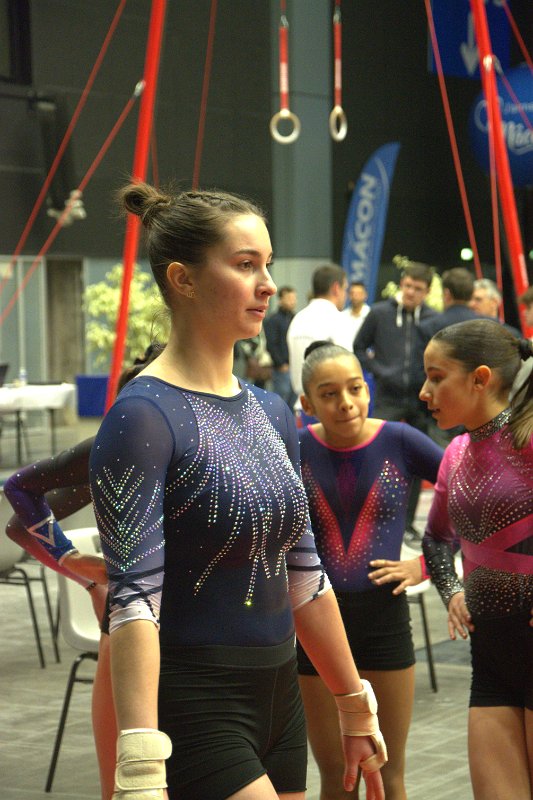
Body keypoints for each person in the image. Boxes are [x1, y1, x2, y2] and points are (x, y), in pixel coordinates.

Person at [89, 181, 387, 800]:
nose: (268, 285)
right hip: (195, 699)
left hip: (280, 694)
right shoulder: (142, 416)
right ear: (184, 279)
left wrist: (353, 702)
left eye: (267, 264)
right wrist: (139, 765)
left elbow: (304, 572)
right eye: (246, 264)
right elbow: (134, 601)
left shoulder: (271, 410)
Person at [2, 345, 164, 800]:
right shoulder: (123, 446)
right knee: (126, 784)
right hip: (134, 628)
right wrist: (82, 570)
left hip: (192, 631)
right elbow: (20, 515)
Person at [296, 341, 443, 800]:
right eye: (329, 394)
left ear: (368, 389)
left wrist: (425, 564)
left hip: (384, 619)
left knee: (388, 773)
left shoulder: (400, 440)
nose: (345, 403)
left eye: (355, 388)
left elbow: (470, 497)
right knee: (338, 776)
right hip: (316, 625)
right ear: (307, 404)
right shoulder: (295, 447)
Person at [419, 319, 533, 800]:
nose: (425, 392)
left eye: (436, 377)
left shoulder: (528, 441)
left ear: (480, 378)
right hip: (491, 660)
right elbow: (435, 540)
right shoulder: (456, 453)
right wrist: (452, 591)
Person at [354, 261, 437, 538]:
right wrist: (380, 371)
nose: (411, 292)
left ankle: (408, 523)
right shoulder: (380, 313)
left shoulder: (432, 319)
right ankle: (376, 515)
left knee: (417, 460)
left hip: (420, 400)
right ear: (402, 284)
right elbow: (358, 346)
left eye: (418, 288)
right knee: (377, 454)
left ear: (427, 291)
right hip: (388, 397)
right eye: (408, 285)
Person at [287, 263, 352, 406]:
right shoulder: (337, 319)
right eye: (345, 289)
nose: (346, 295)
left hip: (302, 403)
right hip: (330, 405)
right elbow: (347, 370)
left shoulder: (297, 319)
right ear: (336, 288)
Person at [264, 285, 297, 408]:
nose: (292, 301)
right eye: (289, 298)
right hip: (282, 369)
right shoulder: (273, 320)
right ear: (280, 300)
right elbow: (271, 344)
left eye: (294, 298)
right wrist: (280, 364)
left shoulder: (295, 318)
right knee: (281, 402)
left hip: (295, 367)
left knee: (294, 402)